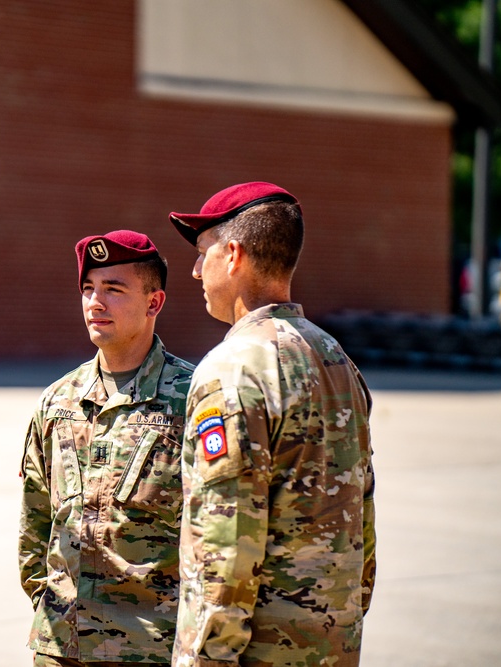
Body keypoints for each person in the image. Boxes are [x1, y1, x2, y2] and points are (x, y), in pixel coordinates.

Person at [167, 182, 376, 666]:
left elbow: (224, 541)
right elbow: (362, 515)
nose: (196, 270)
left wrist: (205, 658)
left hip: (256, 651)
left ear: (233, 255)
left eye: (203, 253)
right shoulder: (337, 359)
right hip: (332, 644)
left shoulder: (231, 368)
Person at [18, 230, 194, 666]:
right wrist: (52, 610)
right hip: (61, 648)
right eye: (88, 289)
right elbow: (35, 523)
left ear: (154, 303)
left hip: (151, 648)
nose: (95, 302)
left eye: (114, 290)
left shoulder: (193, 398)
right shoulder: (58, 401)